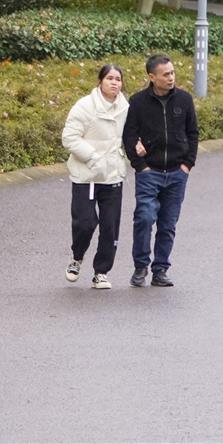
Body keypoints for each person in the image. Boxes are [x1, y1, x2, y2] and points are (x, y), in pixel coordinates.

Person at [121, 54, 198, 288]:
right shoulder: (138, 102)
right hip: (149, 172)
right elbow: (129, 135)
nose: (171, 77)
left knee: (168, 223)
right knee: (144, 218)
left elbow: (193, 133)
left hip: (177, 172)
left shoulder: (184, 100)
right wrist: (140, 166)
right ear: (152, 77)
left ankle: (161, 269)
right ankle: (140, 266)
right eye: (166, 74)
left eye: (173, 73)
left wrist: (187, 164)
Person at [61, 64, 130, 290]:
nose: (114, 83)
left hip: (113, 176)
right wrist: (92, 158)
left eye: (118, 79)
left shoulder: (125, 107)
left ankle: (101, 272)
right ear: (100, 81)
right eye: (110, 78)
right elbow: (69, 138)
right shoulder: (85, 106)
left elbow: (130, 136)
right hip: (86, 176)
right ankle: (76, 258)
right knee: (85, 223)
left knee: (110, 227)